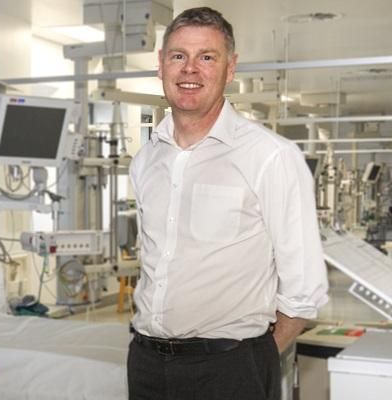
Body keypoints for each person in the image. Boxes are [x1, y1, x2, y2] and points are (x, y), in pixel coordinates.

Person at [127, 7, 329, 400]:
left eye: (207, 57)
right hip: (147, 363)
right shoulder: (147, 160)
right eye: (178, 56)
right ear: (161, 65)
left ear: (230, 68)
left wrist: (257, 357)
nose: (190, 69)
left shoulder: (269, 156)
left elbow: (304, 286)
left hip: (229, 369)